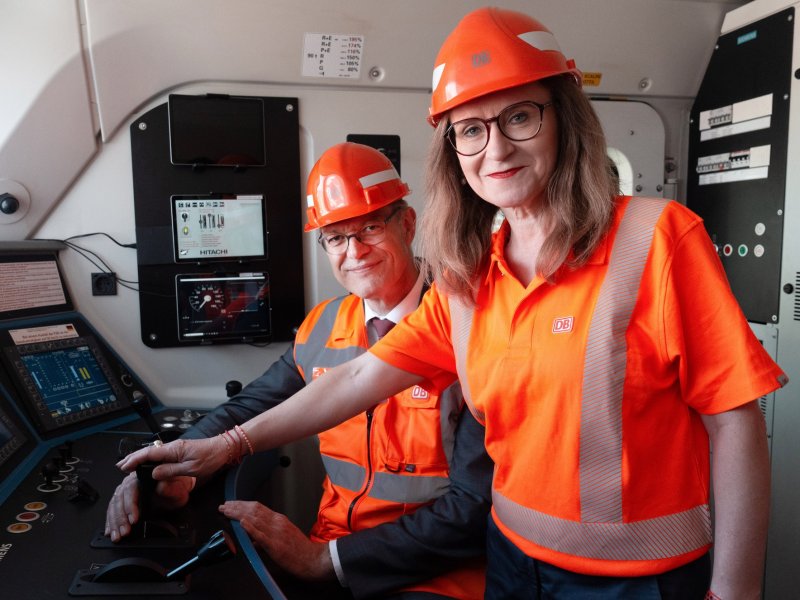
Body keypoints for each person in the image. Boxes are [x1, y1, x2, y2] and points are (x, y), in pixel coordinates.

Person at [118, 8, 788, 600]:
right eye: (469, 129)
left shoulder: (658, 238)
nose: (494, 148)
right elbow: (356, 377)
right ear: (452, 149)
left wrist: (735, 588)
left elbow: (734, 420)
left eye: (519, 116)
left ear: (564, 118)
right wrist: (222, 446)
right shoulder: (470, 280)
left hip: (640, 582)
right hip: (512, 561)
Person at [108, 142, 491, 599]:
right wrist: (184, 469)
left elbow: (471, 508)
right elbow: (250, 406)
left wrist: (328, 563)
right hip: (330, 543)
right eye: (335, 237)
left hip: (434, 569)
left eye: (370, 227)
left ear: (407, 225)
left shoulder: (466, 322)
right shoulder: (322, 326)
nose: (355, 251)